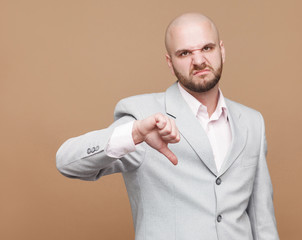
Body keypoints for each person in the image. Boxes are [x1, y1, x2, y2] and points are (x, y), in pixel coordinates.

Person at [56, 13, 280, 240]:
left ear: (221, 50)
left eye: (207, 48)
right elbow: (66, 162)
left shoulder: (253, 122)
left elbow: (263, 221)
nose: (199, 61)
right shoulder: (145, 118)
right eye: (185, 53)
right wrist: (134, 133)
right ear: (170, 63)